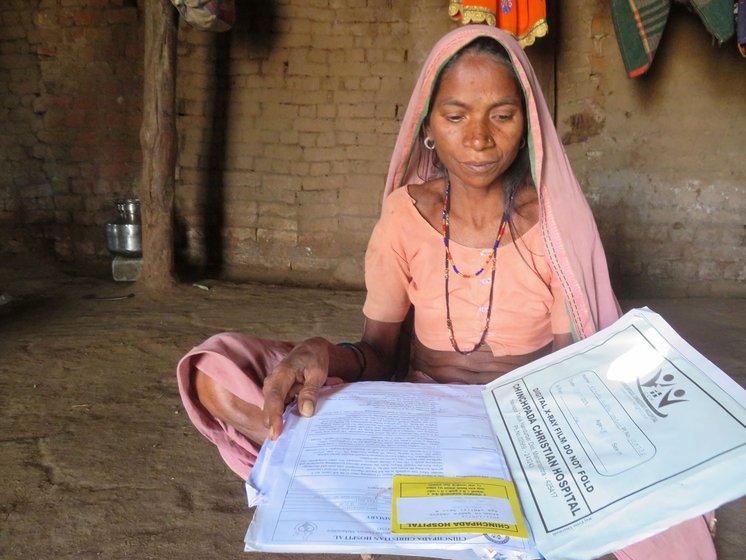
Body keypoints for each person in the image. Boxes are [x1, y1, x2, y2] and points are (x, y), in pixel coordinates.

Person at [177, 25, 716, 560]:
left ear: (527, 124)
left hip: (529, 430)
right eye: (456, 116)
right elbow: (381, 356)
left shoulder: (555, 224)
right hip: (413, 414)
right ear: (428, 126)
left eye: (501, 116)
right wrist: (321, 352)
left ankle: (349, 481)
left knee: (674, 523)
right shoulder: (404, 214)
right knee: (216, 366)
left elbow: (570, 380)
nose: (479, 138)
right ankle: (350, 469)